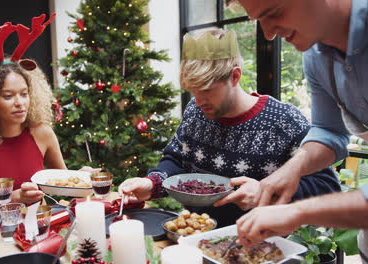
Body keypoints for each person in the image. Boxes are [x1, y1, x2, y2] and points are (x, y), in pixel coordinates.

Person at [119, 28, 340, 227]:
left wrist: (266, 193)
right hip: (196, 239)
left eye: (206, 90)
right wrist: (151, 183)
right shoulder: (196, 111)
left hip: (263, 248)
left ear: (235, 76)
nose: (199, 100)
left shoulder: (284, 121)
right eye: (193, 92)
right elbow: (176, 159)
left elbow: (327, 188)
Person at [228, 0, 368, 260]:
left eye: (273, 13)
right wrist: (292, 169)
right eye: (258, 19)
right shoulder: (315, 57)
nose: (268, 33)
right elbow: (329, 131)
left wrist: (298, 212)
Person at [0, 14, 98, 209]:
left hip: (40, 221)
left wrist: (80, 176)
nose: (20, 103)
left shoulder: (42, 132)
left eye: (24, 94)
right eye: (8, 96)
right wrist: (19, 196)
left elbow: (61, 183)